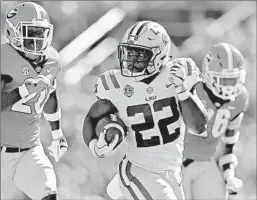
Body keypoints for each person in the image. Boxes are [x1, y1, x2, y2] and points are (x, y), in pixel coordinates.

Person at [83, 21, 207, 200]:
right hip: (139, 169)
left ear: (159, 55)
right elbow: (92, 117)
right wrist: (95, 145)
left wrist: (183, 91)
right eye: (129, 52)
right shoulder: (115, 85)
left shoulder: (178, 73)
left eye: (139, 55)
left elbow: (199, 127)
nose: (131, 60)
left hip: (171, 171)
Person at [1, 2, 68, 200]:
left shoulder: (52, 60)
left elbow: (49, 95)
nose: (36, 40)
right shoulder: (3, 58)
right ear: (12, 32)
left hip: (29, 150)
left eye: (40, 33)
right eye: (30, 33)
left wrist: (57, 134)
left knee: (48, 194)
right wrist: (21, 91)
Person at [182, 43, 249, 200]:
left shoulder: (240, 99)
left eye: (234, 80)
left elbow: (229, 143)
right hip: (177, 161)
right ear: (209, 76)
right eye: (225, 81)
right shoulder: (193, 90)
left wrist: (229, 174)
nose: (231, 87)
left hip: (207, 161)